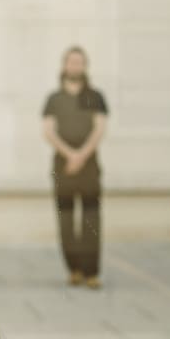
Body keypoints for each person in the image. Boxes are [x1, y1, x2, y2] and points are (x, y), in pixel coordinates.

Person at [41, 46, 109, 289]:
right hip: (62, 166)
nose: (75, 66)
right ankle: (74, 269)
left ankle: (92, 271)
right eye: (71, 62)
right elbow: (48, 131)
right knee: (66, 219)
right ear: (64, 65)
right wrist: (69, 154)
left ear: (84, 66)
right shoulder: (54, 99)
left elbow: (99, 128)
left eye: (79, 62)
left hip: (89, 165)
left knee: (91, 217)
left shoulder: (95, 96)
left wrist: (81, 155)